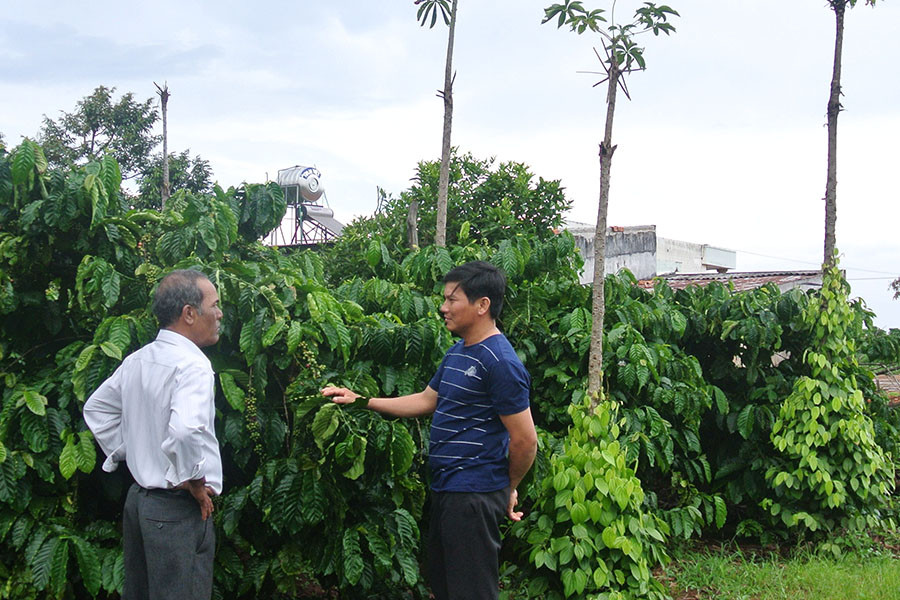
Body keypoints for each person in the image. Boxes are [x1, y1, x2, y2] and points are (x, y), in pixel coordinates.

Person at [322, 260, 537, 600]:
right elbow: (426, 400)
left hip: (474, 495)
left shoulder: (500, 362)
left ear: (482, 305)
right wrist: (362, 400)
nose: (443, 307)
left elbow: (525, 440)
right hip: (448, 490)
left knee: (472, 592)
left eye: (452, 299)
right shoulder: (458, 352)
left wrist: (507, 487)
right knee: (445, 585)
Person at [84, 269, 224, 600]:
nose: (219, 314)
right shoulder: (193, 366)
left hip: (139, 504)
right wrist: (193, 481)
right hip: (176, 511)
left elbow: (97, 409)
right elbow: (186, 431)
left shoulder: (139, 360)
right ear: (189, 313)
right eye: (215, 305)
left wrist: (130, 450)